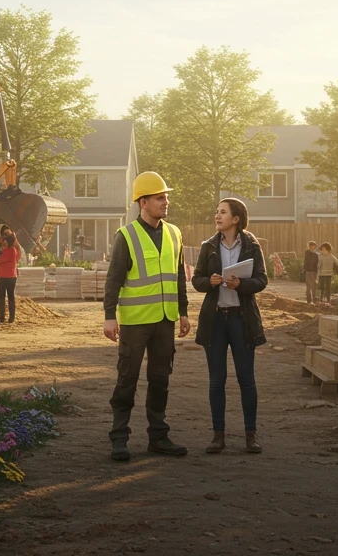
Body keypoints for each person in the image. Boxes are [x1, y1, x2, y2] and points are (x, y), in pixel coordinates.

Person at [102, 171, 190, 462]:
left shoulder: (174, 233)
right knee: (127, 378)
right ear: (143, 202)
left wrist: (184, 313)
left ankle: (158, 437)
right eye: (159, 198)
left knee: (160, 378)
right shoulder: (126, 236)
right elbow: (113, 279)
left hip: (165, 320)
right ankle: (119, 439)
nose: (166, 202)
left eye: (166, 197)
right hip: (135, 321)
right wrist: (109, 316)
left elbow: (178, 276)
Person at [193, 198, 267, 455]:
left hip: (241, 320)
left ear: (236, 219)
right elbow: (196, 279)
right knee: (217, 380)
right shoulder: (208, 246)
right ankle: (218, 436)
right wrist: (210, 281)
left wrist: (241, 285)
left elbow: (261, 280)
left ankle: (251, 435)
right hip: (215, 321)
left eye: (223, 212)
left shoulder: (252, 246)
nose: (217, 215)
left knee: (247, 380)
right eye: (216, 211)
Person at [0, 227, 20, 323]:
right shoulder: (14, 250)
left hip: (2, 276)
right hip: (12, 276)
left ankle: (2, 317)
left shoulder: (6, 251)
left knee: (1, 297)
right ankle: (11, 318)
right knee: (11, 297)